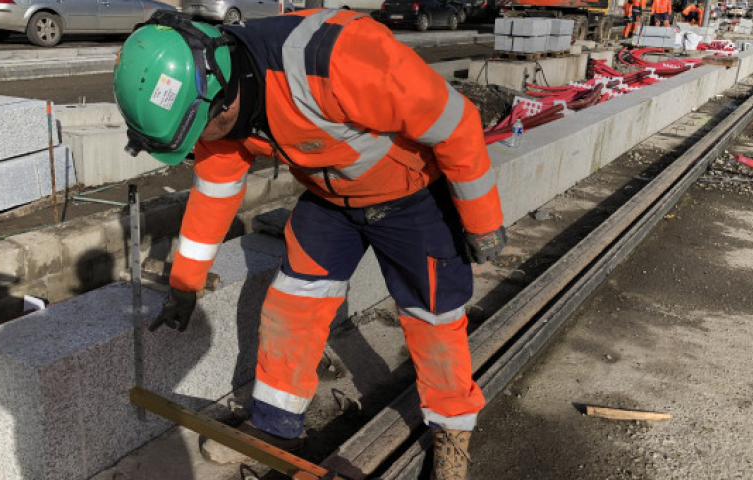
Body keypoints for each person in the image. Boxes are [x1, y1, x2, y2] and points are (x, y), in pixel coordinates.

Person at [113, 9, 506, 480]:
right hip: (330, 198)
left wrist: (482, 223)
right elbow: (215, 192)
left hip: (410, 196)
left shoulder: (340, 60)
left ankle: (452, 428)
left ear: (220, 97)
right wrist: (184, 283)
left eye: (200, 132)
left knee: (433, 315)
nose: (201, 143)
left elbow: (457, 125)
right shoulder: (215, 98)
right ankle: (277, 425)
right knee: (292, 303)